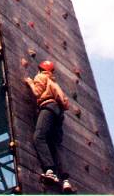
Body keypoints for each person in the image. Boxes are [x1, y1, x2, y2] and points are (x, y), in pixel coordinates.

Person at [24, 60, 73, 192]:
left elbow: (37, 93)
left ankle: (50, 171)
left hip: (48, 108)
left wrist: (29, 83)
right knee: (55, 144)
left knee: (39, 137)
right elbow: (65, 103)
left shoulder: (40, 77)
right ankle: (66, 181)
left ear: (40, 69)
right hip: (58, 113)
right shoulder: (53, 82)